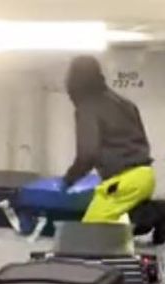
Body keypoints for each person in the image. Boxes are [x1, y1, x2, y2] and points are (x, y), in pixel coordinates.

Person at [61, 55, 157, 227]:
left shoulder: (88, 107)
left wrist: (69, 179)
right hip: (145, 176)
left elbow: (88, 153)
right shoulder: (124, 103)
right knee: (115, 218)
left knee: (91, 231)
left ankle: (154, 215)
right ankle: (154, 211)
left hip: (123, 182)